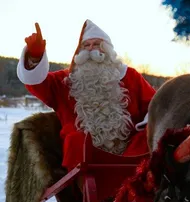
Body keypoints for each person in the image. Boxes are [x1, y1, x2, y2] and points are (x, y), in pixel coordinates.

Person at [17, 19, 156, 172]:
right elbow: (36, 82)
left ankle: (137, 179)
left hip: (128, 151)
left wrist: (147, 125)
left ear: (108, 49)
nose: (91, 50)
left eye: (96, 44)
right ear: (79, 52)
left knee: (149, 135)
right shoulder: (65, 81)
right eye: (86, 45)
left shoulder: (130, 76)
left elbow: (156, 105)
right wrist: (35, 56)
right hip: (83, 156)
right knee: (75, 141)